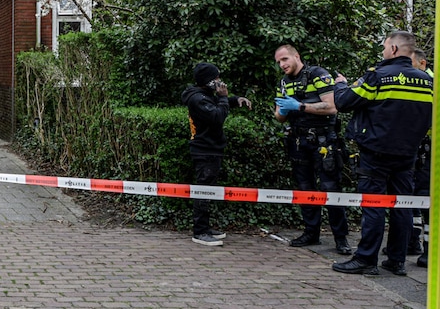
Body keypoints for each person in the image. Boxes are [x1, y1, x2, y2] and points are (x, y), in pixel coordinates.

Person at [332, 32, 434, 276]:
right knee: (403, 206)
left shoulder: (379, 76)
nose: (383, 51)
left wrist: (341, 84)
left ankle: (366, 259)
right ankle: (397, 260)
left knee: (373, 205)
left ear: (394, 49)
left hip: (376, 153)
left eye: (385, 47)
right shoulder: (428, 82)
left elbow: (344, 102)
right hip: (409, 154)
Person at [271, 45, 351, 254]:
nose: (282, 65)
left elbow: (332, 106)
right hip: (298, 141)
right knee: (305, 189)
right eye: (279, 62)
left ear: (297, 56)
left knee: (330, 188)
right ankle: (311, 232)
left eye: (285, 59)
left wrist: (300, 106)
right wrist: (282, 110)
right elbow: (279, 116)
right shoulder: (284, 82)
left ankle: (341, 238)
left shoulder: (318, 74)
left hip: (323, 141)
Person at [181, 62, 252, 246]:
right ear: (208, 80)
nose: (220, 81)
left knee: (208, 190)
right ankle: (200, 231)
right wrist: (223, 97)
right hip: (204, 151)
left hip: (212, 149)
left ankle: (205, 227)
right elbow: (217, 116)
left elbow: (217, 105)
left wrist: (235, 100)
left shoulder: (205, 95)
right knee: (203, 190)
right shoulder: (198, 99)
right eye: (217, 78)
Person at [411, 48, 433, 268]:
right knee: (413, 196)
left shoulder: (432, 85)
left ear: (422, 63)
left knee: (425, 198)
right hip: (415, 149)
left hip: (429, 151)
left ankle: (429, 248)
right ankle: (413, 241)